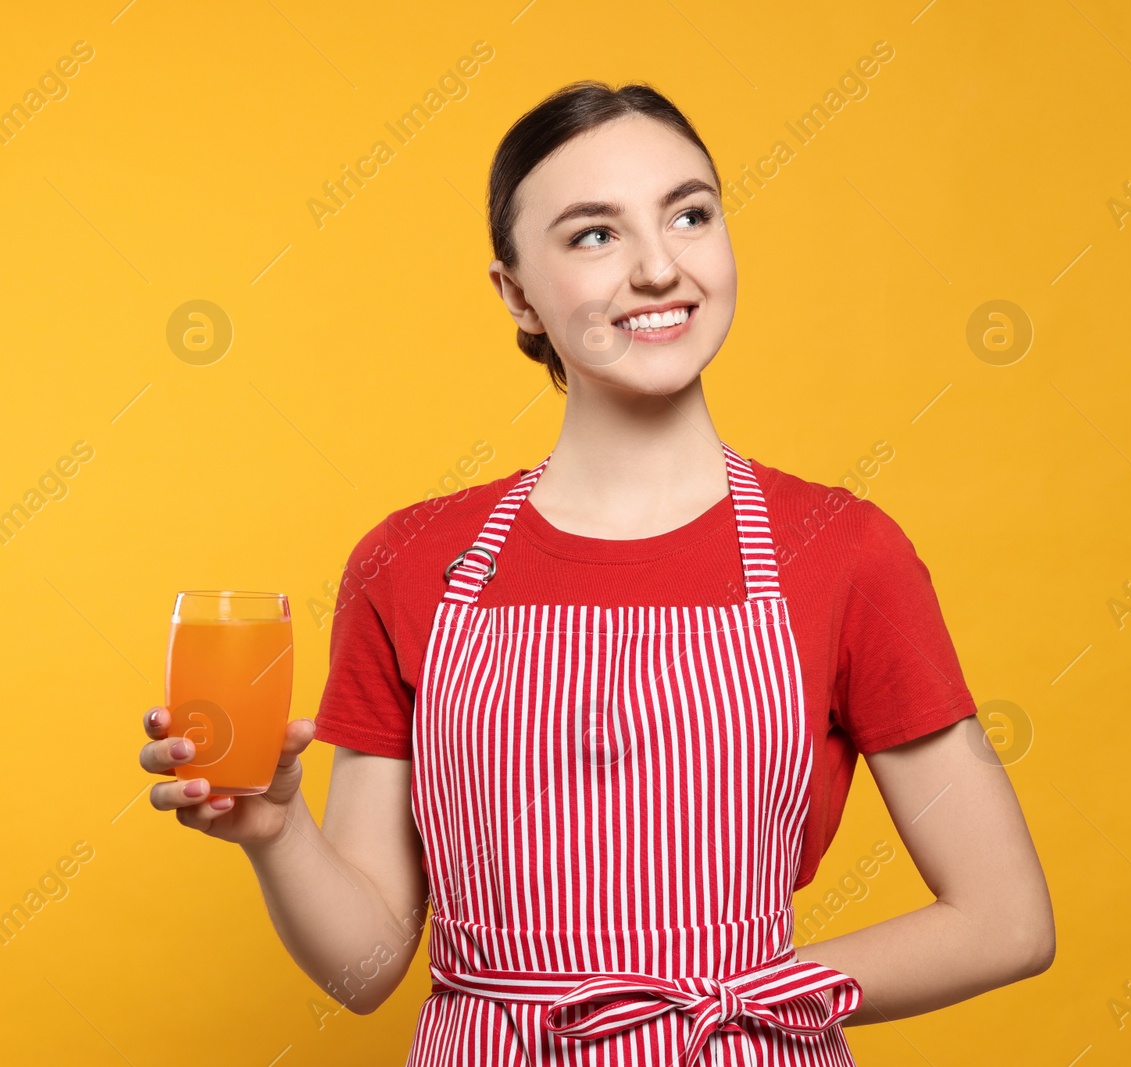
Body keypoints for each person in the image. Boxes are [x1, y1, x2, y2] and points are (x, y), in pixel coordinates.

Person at [138, 80, 1053, 1065]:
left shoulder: (846, 551)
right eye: (593, 236)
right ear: (516, 293)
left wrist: (746, 993)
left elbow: (1005, 920)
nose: (660, 267)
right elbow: (365, 973)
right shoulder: (408, 563)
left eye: (689, 214)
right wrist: (276, 833)